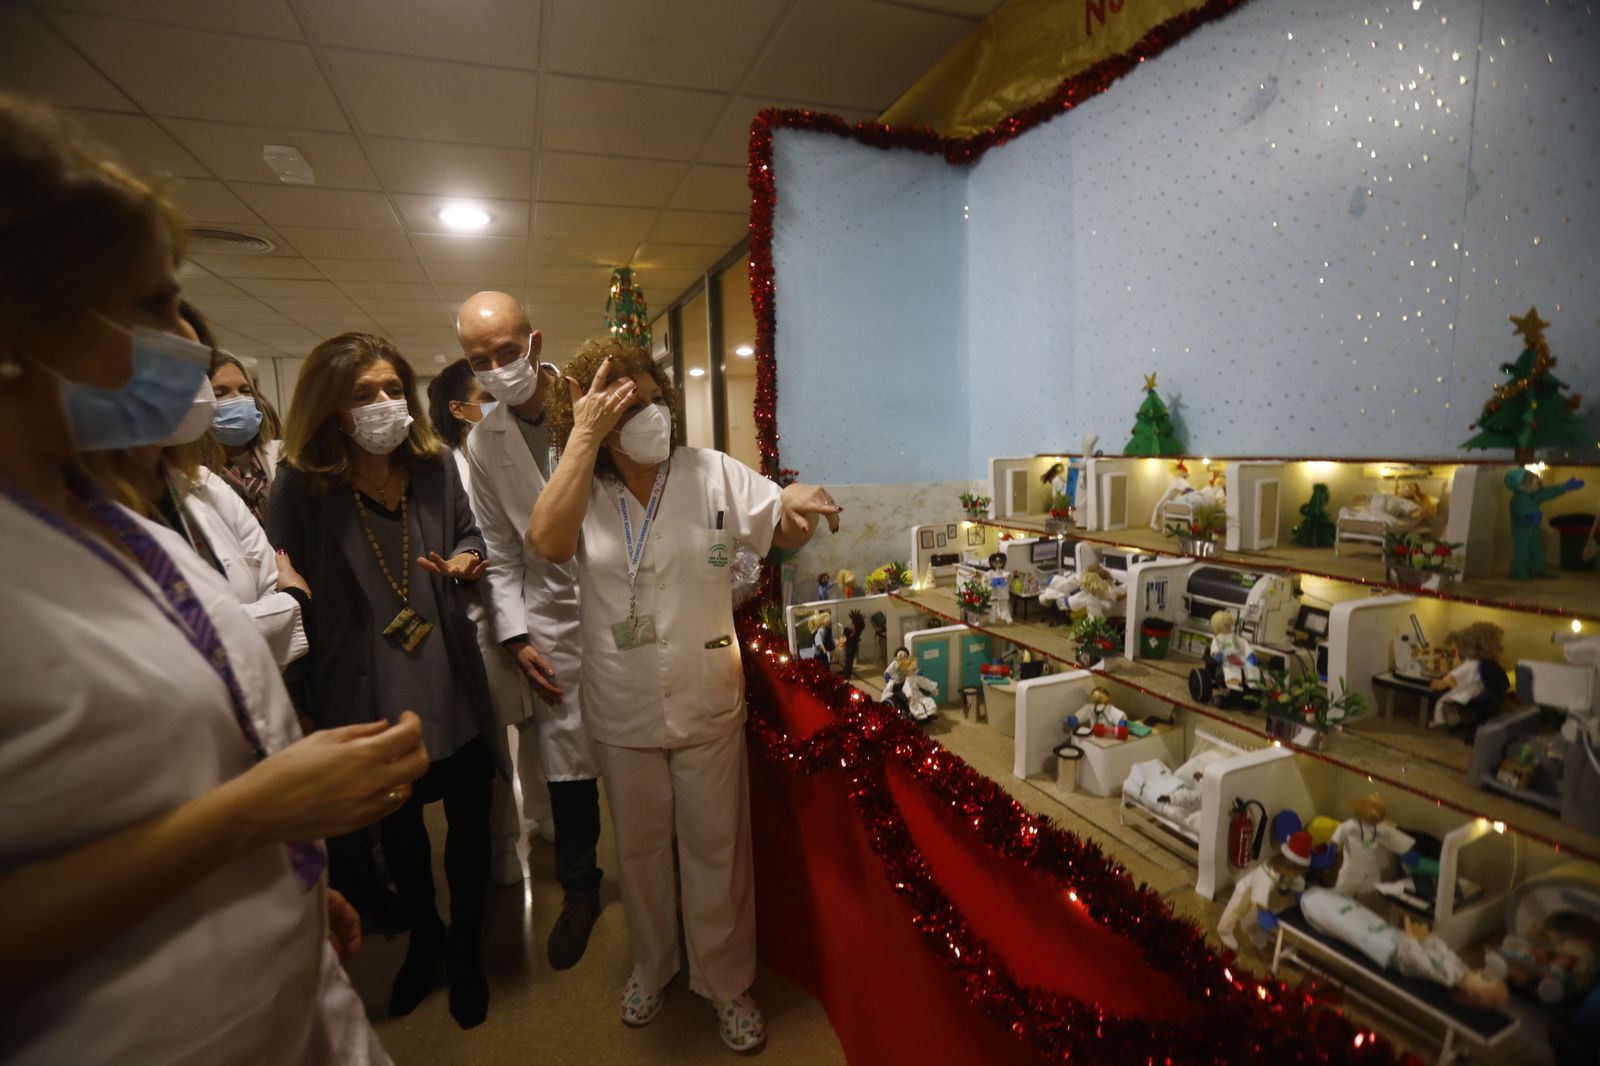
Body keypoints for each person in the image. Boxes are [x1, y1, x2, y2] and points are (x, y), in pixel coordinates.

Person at [0, 91, 425, 1064]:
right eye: (153, 307)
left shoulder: (102, 512)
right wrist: (261, 813)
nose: (187, 349)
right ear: (26, 313)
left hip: (281, 989)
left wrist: (295, 871)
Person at [528, 337, 841, 1052]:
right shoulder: (580, 482)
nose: (648, 413)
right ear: (591, 418)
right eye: (624, 405)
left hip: (706, 691)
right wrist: (581, 440)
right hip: (622, 701)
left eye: (651, 396)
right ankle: (653, 964)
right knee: (640, 850)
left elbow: (776, 517)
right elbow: (546, 542)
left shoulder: (709, 473)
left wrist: (794, 502)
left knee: (715, 848)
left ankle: (726, 983)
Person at [268, 331, 500, 1029]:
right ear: (331, 409)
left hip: (447, 675)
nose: (383, 404)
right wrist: (304, 704)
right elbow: (287, 593)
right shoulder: (301, 487)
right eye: (363, 394)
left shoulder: (433, 468)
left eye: (392, 389)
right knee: (399, 829)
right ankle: (424, 934)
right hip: (365, 690)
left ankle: (464, 946)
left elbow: (472, 536)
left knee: (467, 823)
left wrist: (466, 560)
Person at [455, 291, 605, 970]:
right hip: (549, 616)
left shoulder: (590, 403)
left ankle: (664, 873)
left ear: (535, 343)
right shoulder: (483, 442)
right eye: (479, 359)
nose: (495, 368)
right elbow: (497, 546)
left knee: (640, 748)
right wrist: (515, 635)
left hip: (622, 601)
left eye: (507, 352)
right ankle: (580, 890)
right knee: (567, 762)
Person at [77, 308, 310, 669]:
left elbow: (265, 584)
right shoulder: (71, 503)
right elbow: (159, 648)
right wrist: (292, 602)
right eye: (165, 365)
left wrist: (275, 608)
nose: (187, 386)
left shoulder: (205, 486)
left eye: (193, 367)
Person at [426, 359, 557, 884]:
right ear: (459, 410)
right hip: (475, 616)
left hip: (532, 607)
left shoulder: (516, 448)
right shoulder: (444, 469)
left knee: (538, 721)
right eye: (484, 393)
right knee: (493, 733)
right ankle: (503, 841)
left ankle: (545, 816)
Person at [1297, 888, 1509, 1006]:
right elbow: (1441, 949)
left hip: (1390, 949)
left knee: (1347, 923)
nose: (1481, 971)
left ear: (1477, 994)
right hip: (1395, 938)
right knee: (1357, 913)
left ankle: (1314, 905)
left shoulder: (1445, 976)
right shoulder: (1459, 968)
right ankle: (1317, 898)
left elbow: (1416, 962)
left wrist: (1412, 940)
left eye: (1485, 978)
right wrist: (1427, 938)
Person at [207, 346, 284, 525]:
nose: (239, 399)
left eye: (245, 390)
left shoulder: (282, 455)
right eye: (220, 393)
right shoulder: (191, 474)